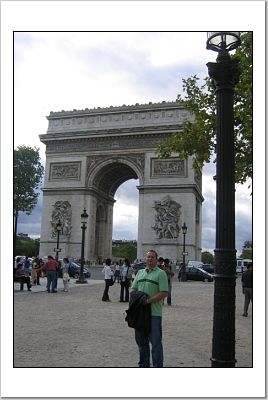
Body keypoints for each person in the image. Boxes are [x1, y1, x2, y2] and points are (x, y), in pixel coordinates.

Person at [131, 249, 168, 367]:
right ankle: (143, 365)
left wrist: (148, 301)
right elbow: (133, 289)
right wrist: (138, 298)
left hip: (154, 314)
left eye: (152, 257)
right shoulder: (139, 272)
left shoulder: (161, 273)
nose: (150, 259)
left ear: (156, 259)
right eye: (148, 257)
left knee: (156, 343)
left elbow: (164, 292)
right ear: (145, 259)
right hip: (140, 313)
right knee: (141, 343)